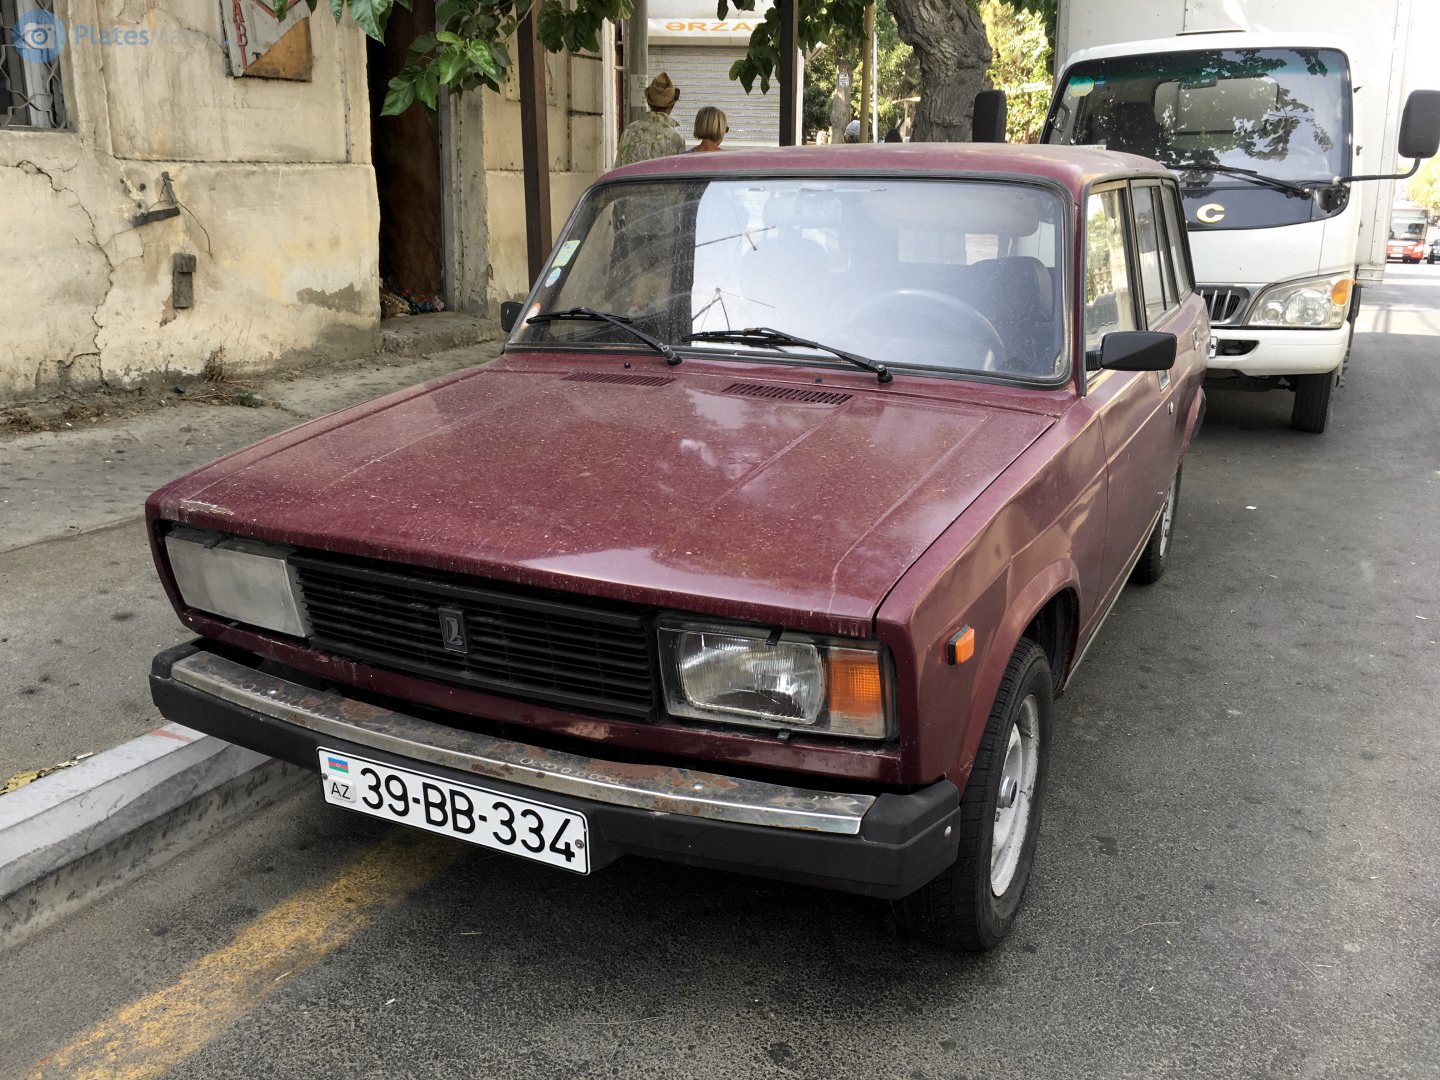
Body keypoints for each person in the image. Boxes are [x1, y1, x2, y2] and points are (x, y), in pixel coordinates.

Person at [615, 73, 685, 167]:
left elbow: (617, 169)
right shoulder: (676, 139)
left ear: (649, 103)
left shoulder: (629, 132)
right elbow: (679, 173)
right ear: (672, 106)